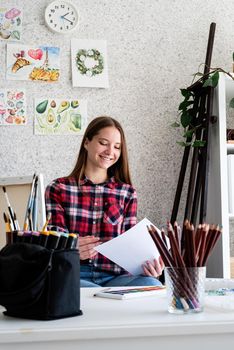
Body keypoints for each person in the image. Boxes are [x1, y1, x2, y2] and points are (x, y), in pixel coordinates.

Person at [45, 116, 164, 287]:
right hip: (75, 274)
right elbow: (53, 241)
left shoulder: (127, 192)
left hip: (117, 277)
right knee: (80, 291)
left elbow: (132, 245)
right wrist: (71, 247)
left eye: (117, 147)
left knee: (153, 284)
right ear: (87, 142)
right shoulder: (58, 188)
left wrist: (150, 266)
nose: (110, 151)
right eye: (103, 143)